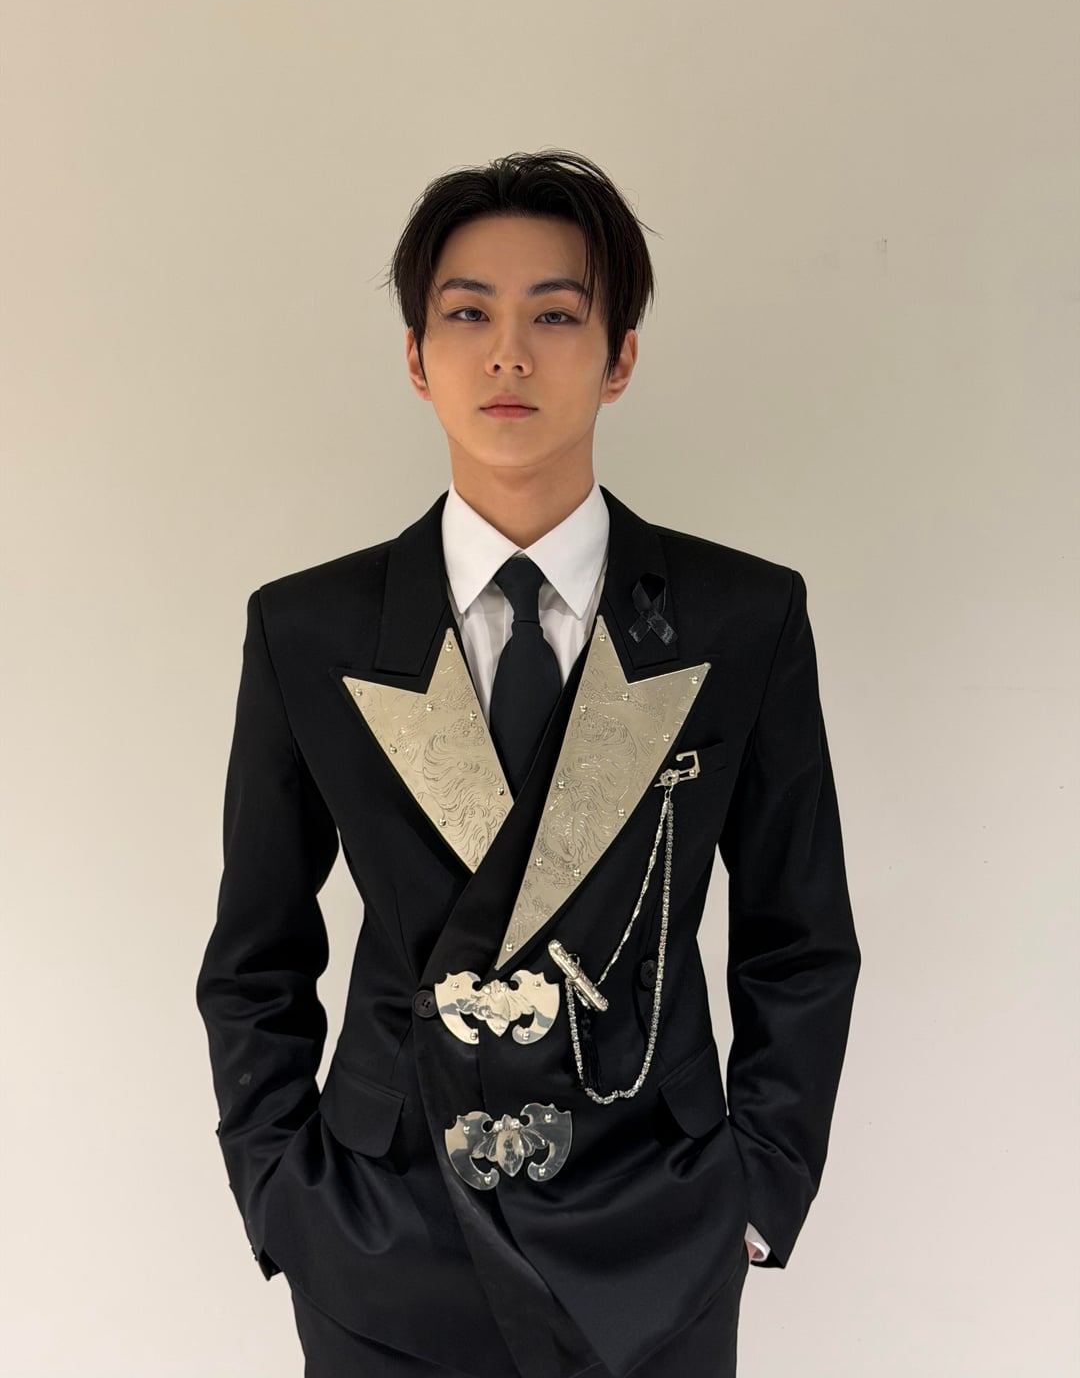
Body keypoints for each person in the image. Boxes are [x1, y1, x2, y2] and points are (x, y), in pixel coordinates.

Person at [196, 149, 861, 1378]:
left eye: (555, 316)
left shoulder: (739, 617)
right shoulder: (309, 629)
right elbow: (256, 956)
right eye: (468, 315)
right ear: (416, 356)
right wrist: (281, 1194)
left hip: (655, 1224)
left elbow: (799, 939)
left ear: (619, 357)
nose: (509, 354)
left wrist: (758, 1194)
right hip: (385, 1227)